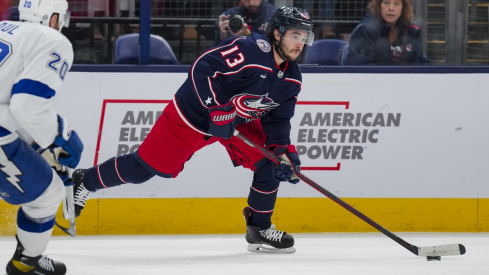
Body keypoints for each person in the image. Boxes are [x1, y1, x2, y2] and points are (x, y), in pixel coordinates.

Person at [73, 6, 314, 254]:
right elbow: (203, 67)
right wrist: (214, 107)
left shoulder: (292, 78)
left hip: (236, 122)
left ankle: (259, 228)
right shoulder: (250, 49)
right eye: (295, 35)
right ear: (277, 33)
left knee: (271, 162)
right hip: (193, 115)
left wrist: (283, 151)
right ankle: (85, 181)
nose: (300, 44)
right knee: (143, 169)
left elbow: (278, 121)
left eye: (304, 38)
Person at [0, 0, 84, 274]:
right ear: (52, 17)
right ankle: (25, 265)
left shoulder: (4, 29)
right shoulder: (50, 39)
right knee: (48, 194)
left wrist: (37, 144)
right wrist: (61, 138)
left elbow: (9, 105)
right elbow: (27, 105)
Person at [344, 0, 429, 65]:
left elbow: (422, 64)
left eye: (397, 4)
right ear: (379, 6)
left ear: (403, 8)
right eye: (386, 3)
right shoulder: (365, 29)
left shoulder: (413, 29)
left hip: (405, 83)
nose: (391, 8)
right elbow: (359, 67)